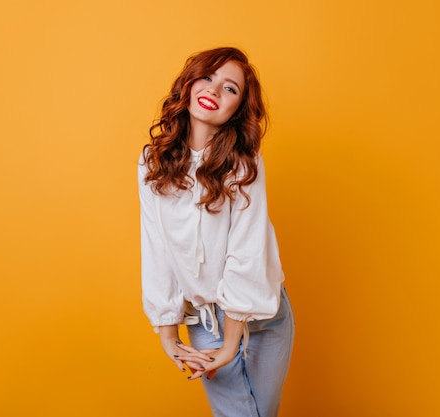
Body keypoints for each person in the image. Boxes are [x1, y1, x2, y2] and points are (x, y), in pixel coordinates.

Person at [137, 46, 294, 417]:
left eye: (230, 88)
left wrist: (230, 344)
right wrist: (167, 331)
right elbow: (156, 247)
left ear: (237, 109)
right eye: (208, 78)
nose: (213, 90)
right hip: (205, 318)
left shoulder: (244, 164)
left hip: (262, 316)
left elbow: (247, 251)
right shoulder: (152, 162)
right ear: (189, 85)